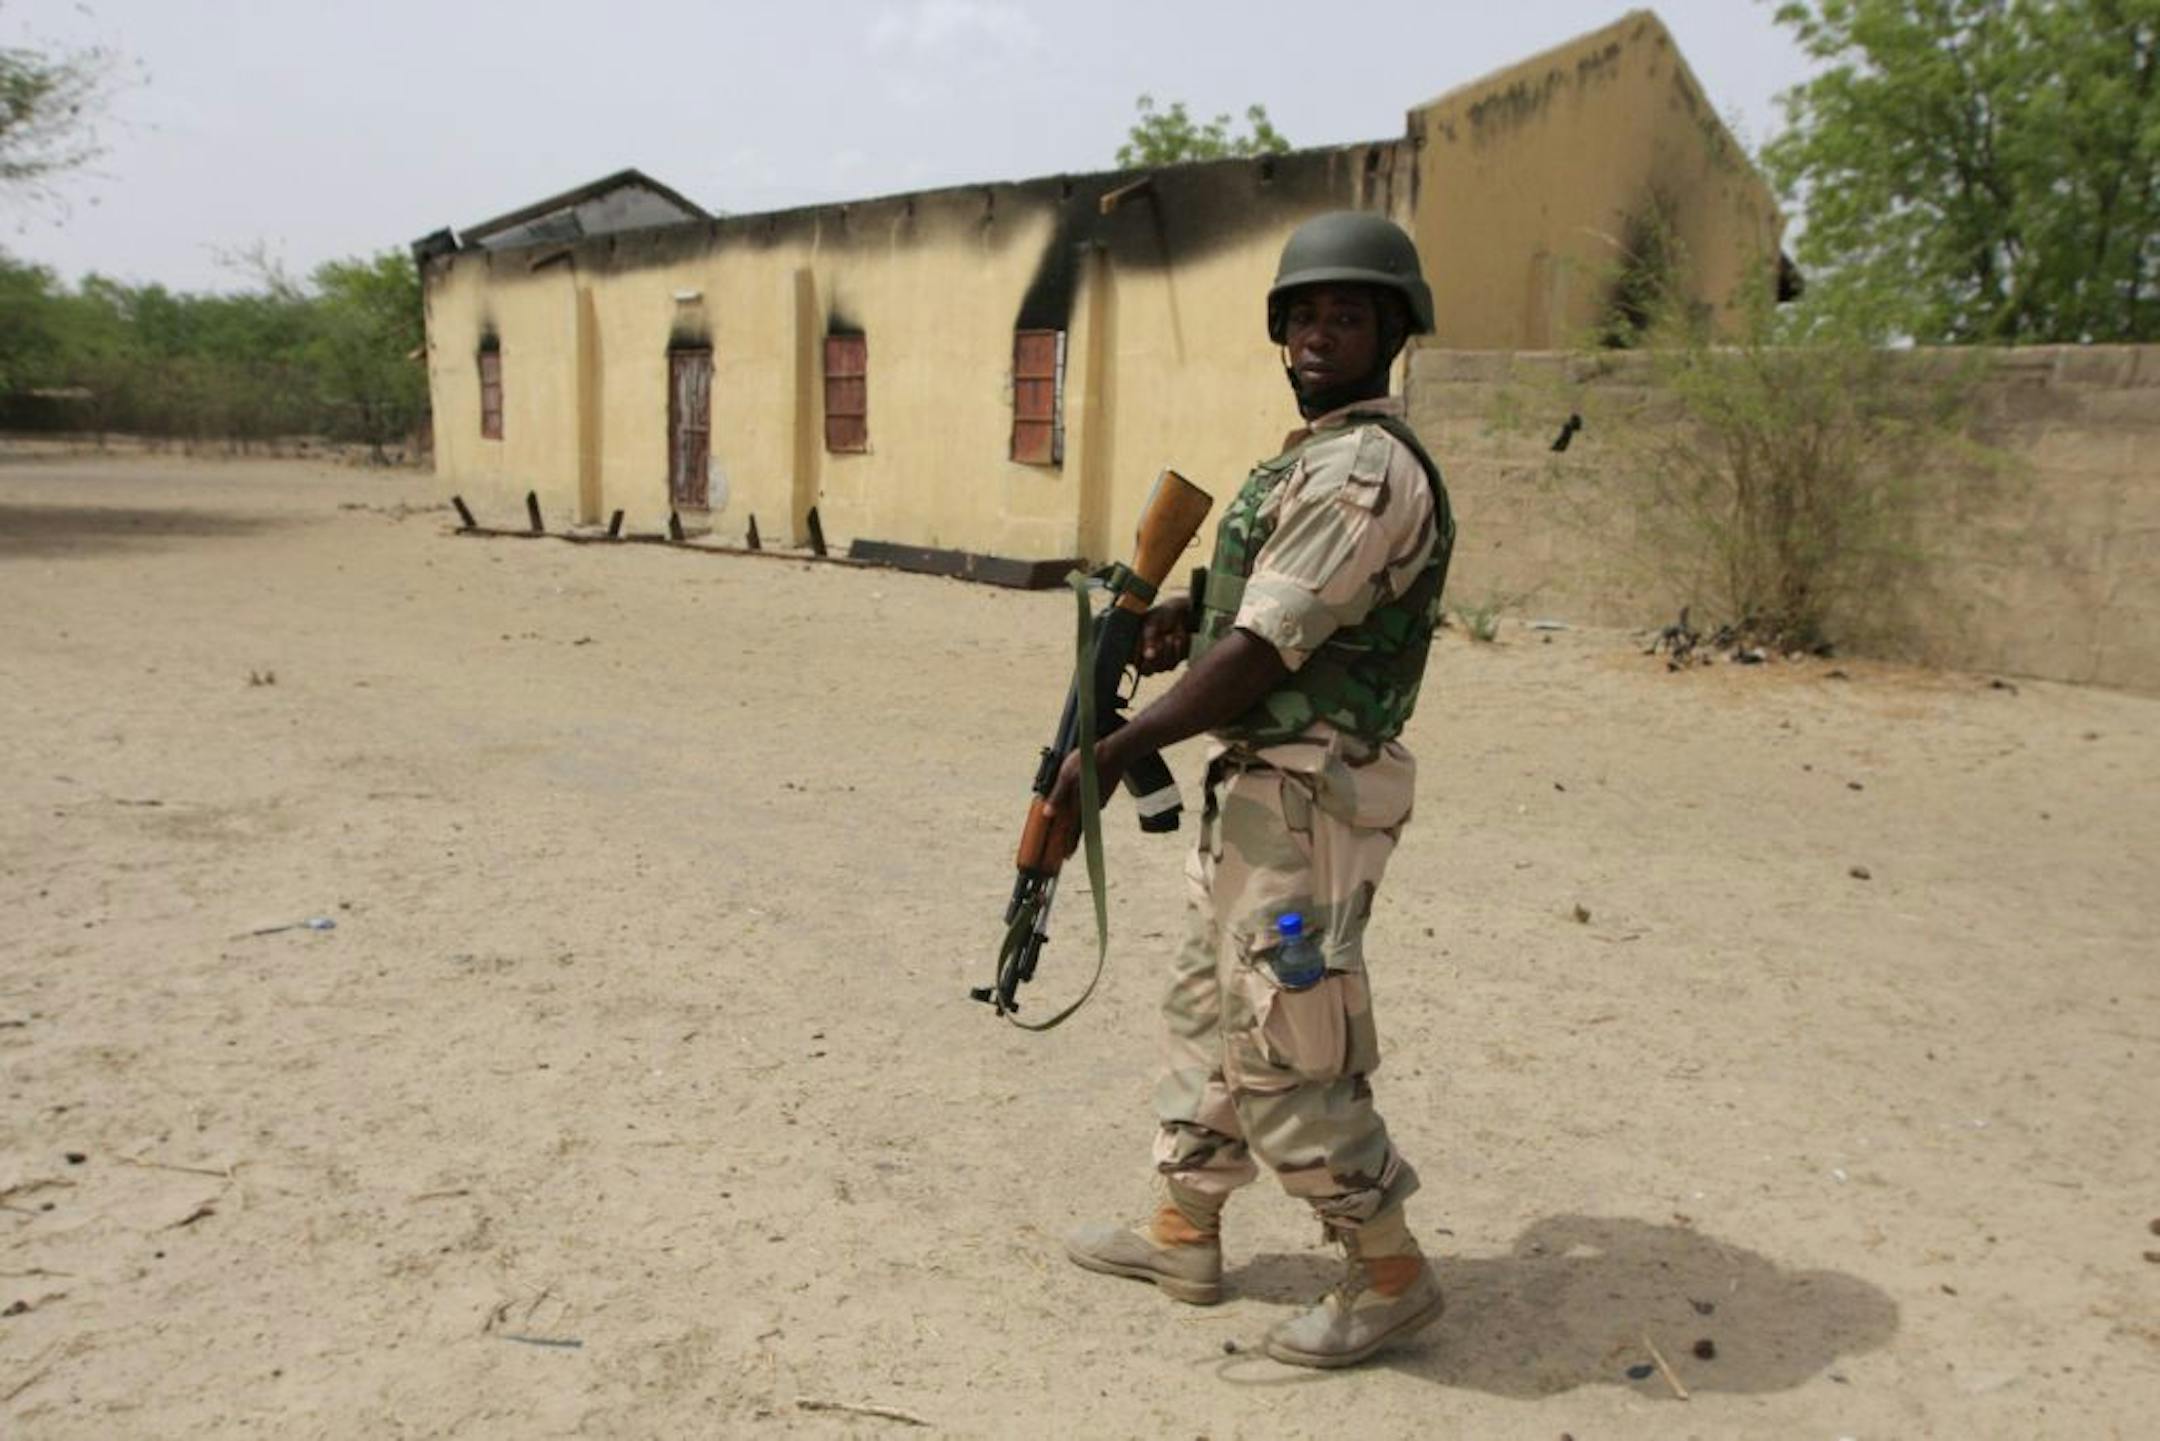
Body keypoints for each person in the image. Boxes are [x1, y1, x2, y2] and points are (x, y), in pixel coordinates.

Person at [1041, 210, 1455, 1369]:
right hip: (1260, 790)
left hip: (1311, 796)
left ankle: (1388, 1271)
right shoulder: (1311, 455)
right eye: (1307, 314)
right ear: (1282, 331)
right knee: (1206, 1013)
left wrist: (1117, 750)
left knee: (1282, 1038)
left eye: (1350, 314)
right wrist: (1186, 622)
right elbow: (1264, 620)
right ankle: (1183, 1228)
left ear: (1392, 331)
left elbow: (1271, 649)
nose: (1323, 332)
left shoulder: (1366, 466)